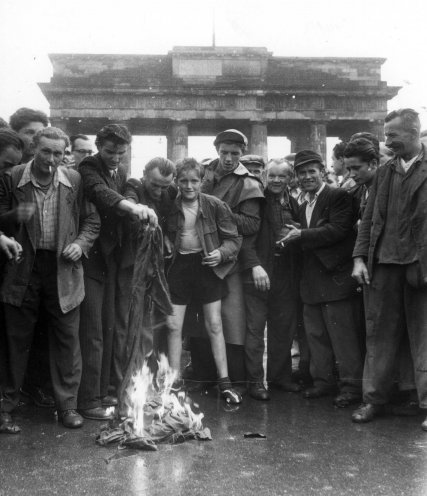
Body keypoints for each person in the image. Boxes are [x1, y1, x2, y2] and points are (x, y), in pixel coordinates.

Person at [0, 127, 100, 431]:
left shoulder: (74, 179)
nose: (51, 159)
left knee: (67, 338)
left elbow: (92, 220)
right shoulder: (14, 177)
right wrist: (13, 223)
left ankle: (67, 406)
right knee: (14, 340)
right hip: (22, 267)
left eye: (58, 153)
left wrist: (80, 244)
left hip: (63, 267)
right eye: (46, 151)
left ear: (65, 153)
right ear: (34, 148)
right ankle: (4, 407)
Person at [351, 109, 427, 431]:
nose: (387, 140)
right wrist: (358, 259)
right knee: (378, 335)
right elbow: (368, 219)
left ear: (413, 132)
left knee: (424, 337)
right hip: (382, 264)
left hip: (420, 265)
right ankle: (373, 400)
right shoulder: (384, 171)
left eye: (392, 135)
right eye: (386, 134)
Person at [77, 124, 157, 420]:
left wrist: (133, 199)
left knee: (110, 327)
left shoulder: (119, 172)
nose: (114, 157)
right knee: (94, 331)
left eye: (121, 153)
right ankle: (88, 401)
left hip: (109, 260)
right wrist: (132, 207)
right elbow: (101, 194)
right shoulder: (88, 166)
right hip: (90, 260)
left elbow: (127, 188)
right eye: (110, 151)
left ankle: (104, 391)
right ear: (99, 146)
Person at [280, 150, 364, 407]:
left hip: (335, 278)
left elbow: (338, 230)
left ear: (322, 172)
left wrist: (301, 235)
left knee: (343, 337)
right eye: (302, 173)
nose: (306, 177)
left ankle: (351, 386)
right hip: (311, 281)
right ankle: (323, 382)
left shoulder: (338, 196)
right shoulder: (303, 204)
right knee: (316, 335)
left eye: (311, 172)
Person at [189, 129, 264, 388]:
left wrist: (218, 213)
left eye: (235, 153)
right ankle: (202, 374)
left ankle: (235, 378)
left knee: (231, 321)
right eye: (224, 153)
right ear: (216, 150)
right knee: (199, 318)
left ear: (242, 153)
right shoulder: (204, 172)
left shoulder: (248, 182)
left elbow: (252, 224)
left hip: (229, 261)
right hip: (198, 257)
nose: (229, 158)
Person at [166, 158, 242, 403]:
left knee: (214, 325)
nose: (189, 186)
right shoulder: (169, 205)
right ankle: (174, 382)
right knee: (174, 326)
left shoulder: (214, 205)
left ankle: (225, 382)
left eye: (194, 181)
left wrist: (220, 253)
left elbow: (234, 239)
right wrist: (165, 243)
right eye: (183, 181)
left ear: (202, 181)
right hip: (179, 267)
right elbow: (162, 234)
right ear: (176, 182)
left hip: (206, 267)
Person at [113, 157, 177, 382]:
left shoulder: (171, 192)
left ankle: (142, 373)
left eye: (165, 186)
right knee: (126, 322)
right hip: (131, 266)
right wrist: (139, 209)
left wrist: (167, 235)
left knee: (150, 323)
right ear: (144, 175)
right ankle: (123, 377)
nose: (160, 191)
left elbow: (172, 219)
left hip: (156, 268)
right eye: (155, 185)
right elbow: (130, 201)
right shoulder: (134, 185)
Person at [244, 158, 301, 400]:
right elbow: (245, 237)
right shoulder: (257, 200)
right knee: (255, 330)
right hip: (258, 273)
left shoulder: (294, 202)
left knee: (283, 330)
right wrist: (255, 266)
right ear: (265, 176)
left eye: (283, 176)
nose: (277, 180)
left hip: (284, 274)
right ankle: (255, 382)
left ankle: (280, 378)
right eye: (273, 176)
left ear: (290, 179)